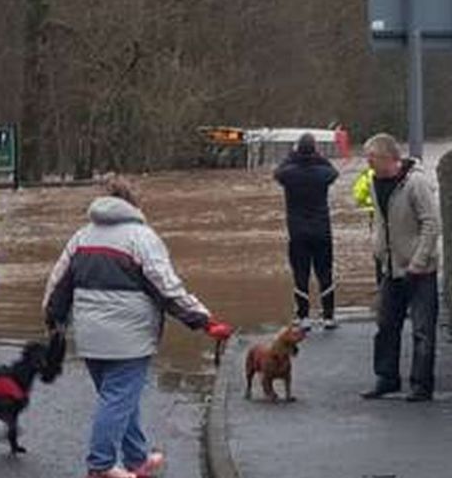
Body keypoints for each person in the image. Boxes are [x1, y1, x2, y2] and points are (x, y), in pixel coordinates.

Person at [43, 177, 233, 478]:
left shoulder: (81, 237)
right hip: (129, 337)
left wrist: (54, 323)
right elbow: (168, 289)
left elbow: (57, 286)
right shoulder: (142, 238)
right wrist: (205, 321)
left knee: (118, 397)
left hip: (90, 336)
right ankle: (101, 465)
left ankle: (136, 460)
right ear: (134, 205)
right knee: (118, 399)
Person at [360, 134, 440, 402]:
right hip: (390, 267)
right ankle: (387, 378)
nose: (367, 162)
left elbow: (431, 224)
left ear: (388, 157)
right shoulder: (373, 182)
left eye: (371, 157)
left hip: (420, 269)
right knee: (385, 326)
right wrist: (378, 252)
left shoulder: (416, 183)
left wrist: (418, 262)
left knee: (423, 330)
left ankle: (421, 384)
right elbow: (381, 223)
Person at [274, 133, 340, 330]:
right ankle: (328, 316)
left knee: (300, 273)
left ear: (297, 150)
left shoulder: (289, 174)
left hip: (298, 231)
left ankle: (303, 317)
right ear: (315, 150)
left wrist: (293, 156)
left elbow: (278, 172)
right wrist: (317, 156)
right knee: (325, 271)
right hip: (322, 230)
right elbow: (333, 171)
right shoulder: (323, 173)